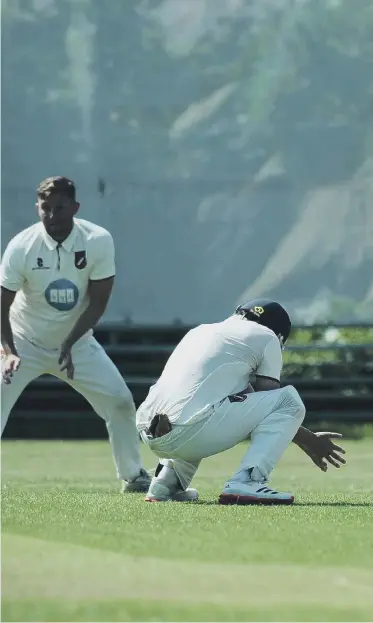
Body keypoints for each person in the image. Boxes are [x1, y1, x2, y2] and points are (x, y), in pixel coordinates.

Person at [1, 176, 151, 493]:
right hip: (22, 341)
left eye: (60, 208)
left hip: (77, 343)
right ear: (37, 208)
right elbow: (2, 305)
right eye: (46, 209)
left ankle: (134, 476)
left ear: (75, 207)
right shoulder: (21, 246)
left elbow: (98, 303)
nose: (52, 216)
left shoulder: (97, 240)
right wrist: (9, 350)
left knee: (121, 402)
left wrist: (70, 343)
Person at [136, 299, 346, 504]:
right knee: (289, 400)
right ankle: (248, 481)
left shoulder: (200, 331)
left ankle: (166, 482)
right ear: (279, 334)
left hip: (148, 432)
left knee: (198, 404)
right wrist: (310, 440)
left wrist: (305, 438)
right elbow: (271, 401)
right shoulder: (267, 336)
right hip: (191, 432)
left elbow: (242, 399)